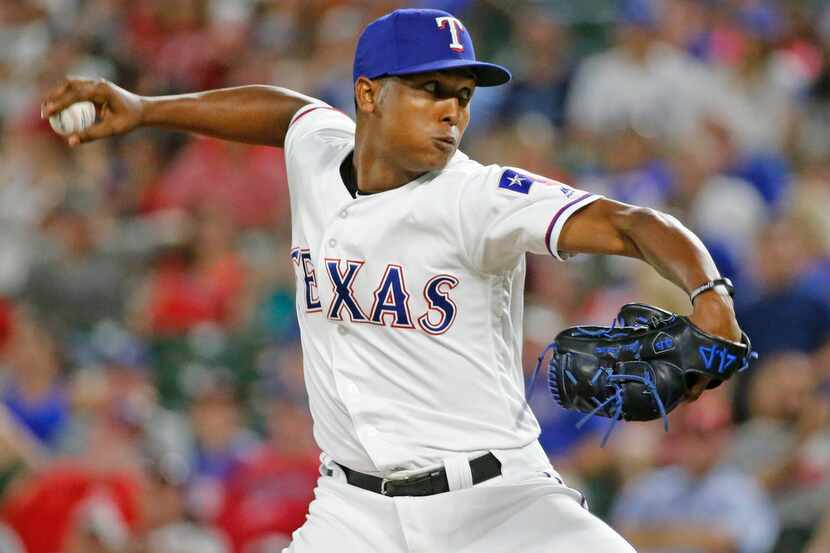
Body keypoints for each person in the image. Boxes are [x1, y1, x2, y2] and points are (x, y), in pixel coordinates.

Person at [41, 8, 744, 553]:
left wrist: (710, 295)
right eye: (431, 89)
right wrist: (147, 108)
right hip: (355, 512)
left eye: (463, 94)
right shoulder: (319, 152)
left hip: (499, 504)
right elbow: (287, 114)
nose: (453, 111)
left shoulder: (477, 196)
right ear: (368, 95)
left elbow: (628, 222)